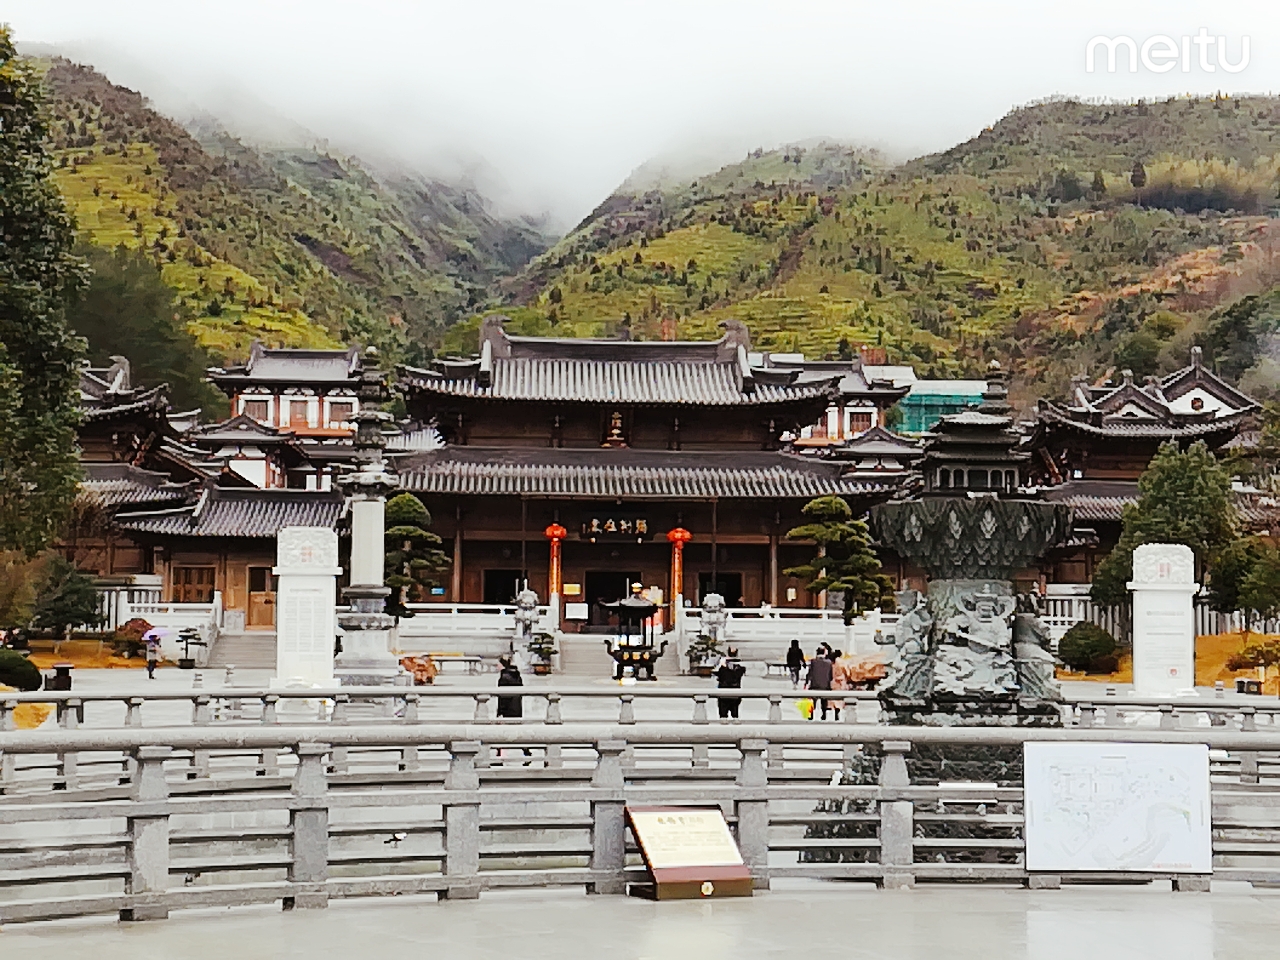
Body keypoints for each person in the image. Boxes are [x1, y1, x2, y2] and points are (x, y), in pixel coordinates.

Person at [714, 646, 746, 720]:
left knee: (725, 714)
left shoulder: (724, 666)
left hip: (726, 691)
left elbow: (717, 673)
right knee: (733, 714)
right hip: (732, 691)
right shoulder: (740, 667)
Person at [805, 646, 833, 719]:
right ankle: (824, 714)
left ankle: (811, 715)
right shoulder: (829, 662)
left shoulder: (813, 662)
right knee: (824, 701)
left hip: (815, 684)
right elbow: (830, 675)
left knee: (812, 701)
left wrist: (806, 682)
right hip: (825, 685)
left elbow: (810, 673)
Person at [496, 655, 524, 719]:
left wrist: (500, 712)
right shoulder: (517, 675)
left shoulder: (504, 676)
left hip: (507, 708)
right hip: (517, 708)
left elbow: (503, 696)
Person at [829, 648, 850, 720]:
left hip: (832, 683)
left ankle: (834, 713)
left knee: (833, 700)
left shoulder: (831, 664)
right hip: (839, 683)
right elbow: (847, 672)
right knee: (839, 699)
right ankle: (837, 713)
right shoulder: (842, 662)